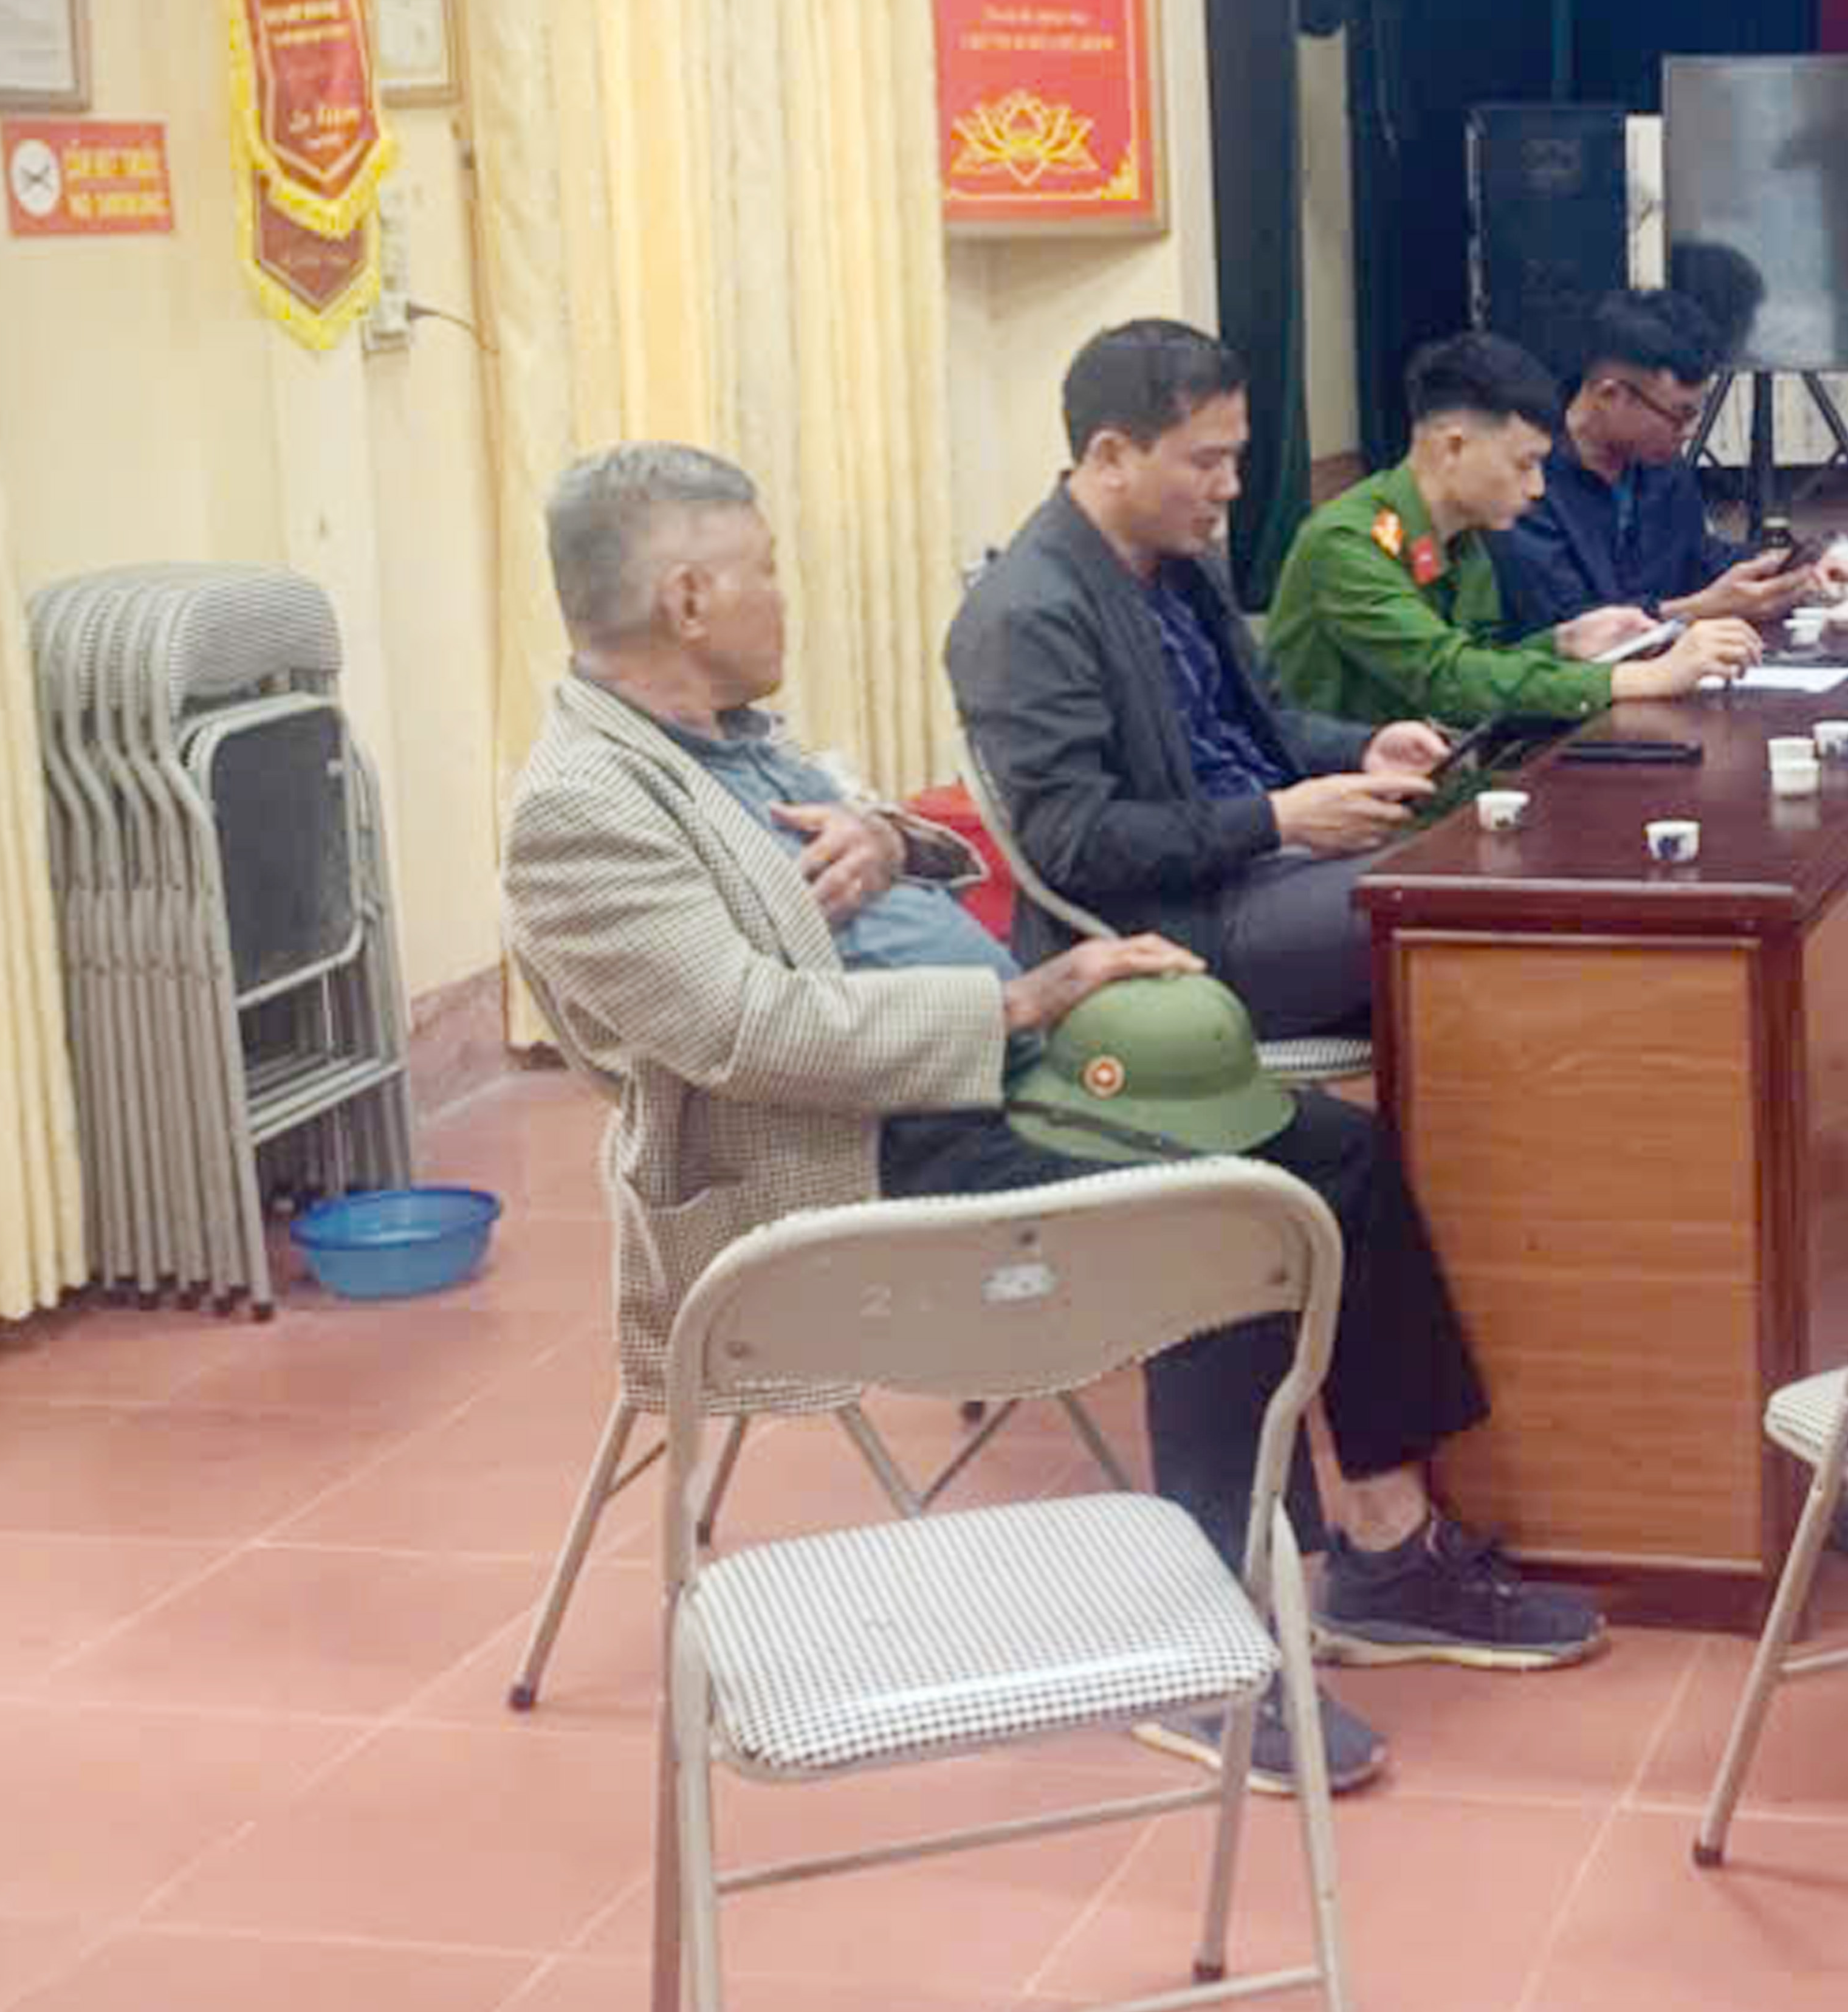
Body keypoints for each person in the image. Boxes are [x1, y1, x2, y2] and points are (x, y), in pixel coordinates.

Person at [506, 441, 1604, 1793]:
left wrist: (895, 840)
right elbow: (750, 1035)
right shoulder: (582, 808)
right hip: (852, 1157)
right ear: (688, 600)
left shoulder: (732, 734)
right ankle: (1209, 1649)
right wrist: (1027, 1000)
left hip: (985, 1077)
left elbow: (914, 848)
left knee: (1339, 1151)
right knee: (1220, 1216)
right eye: (767, 570)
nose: (785, 595)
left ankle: (1387, 1554)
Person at [949, 320, 1440, 1042]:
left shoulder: (1184, 562)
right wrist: (1278, 818)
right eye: (1207, 461)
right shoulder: (1027, 613)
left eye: (1236, 458)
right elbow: (1075, 840)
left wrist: (1364, 747)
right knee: (1453, 905)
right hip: (1175, 924)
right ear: (1111, 456)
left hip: (1268, 868)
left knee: (1473, 859)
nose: (1231, 487)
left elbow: (1264, 720)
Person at [1265, 331, 1762, 729]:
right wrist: (1641, 678)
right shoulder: (1349, 543)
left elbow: (1482, 663)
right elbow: (1448, 679)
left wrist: (1562, 642)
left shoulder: (1465, 539)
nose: (1538, 487)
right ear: (1454, 447)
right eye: (1524, 464)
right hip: (1350, 801)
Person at [1488, 286, 1848, 642]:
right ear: (1611, 395)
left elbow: (1699, 560)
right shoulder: (1527, 475)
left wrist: (1800, 564)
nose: (1688, 432)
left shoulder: (1661, 467)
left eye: (1696, 415)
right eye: (1679, 415)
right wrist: (1695, 611)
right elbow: (1562, 628)